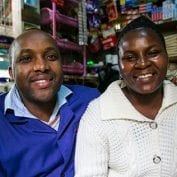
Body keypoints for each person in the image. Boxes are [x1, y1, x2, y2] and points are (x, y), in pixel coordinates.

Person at [74, 16, 177, 177]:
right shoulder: (98, 115)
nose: (142, 64)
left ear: (167, 57)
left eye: (153, 53)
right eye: (130, 57)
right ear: (119, 66)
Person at [0, 28, 100, 177]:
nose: (41, 66)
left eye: (51, 56)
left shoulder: (90, 100)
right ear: (12, 73)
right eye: (27, 58)